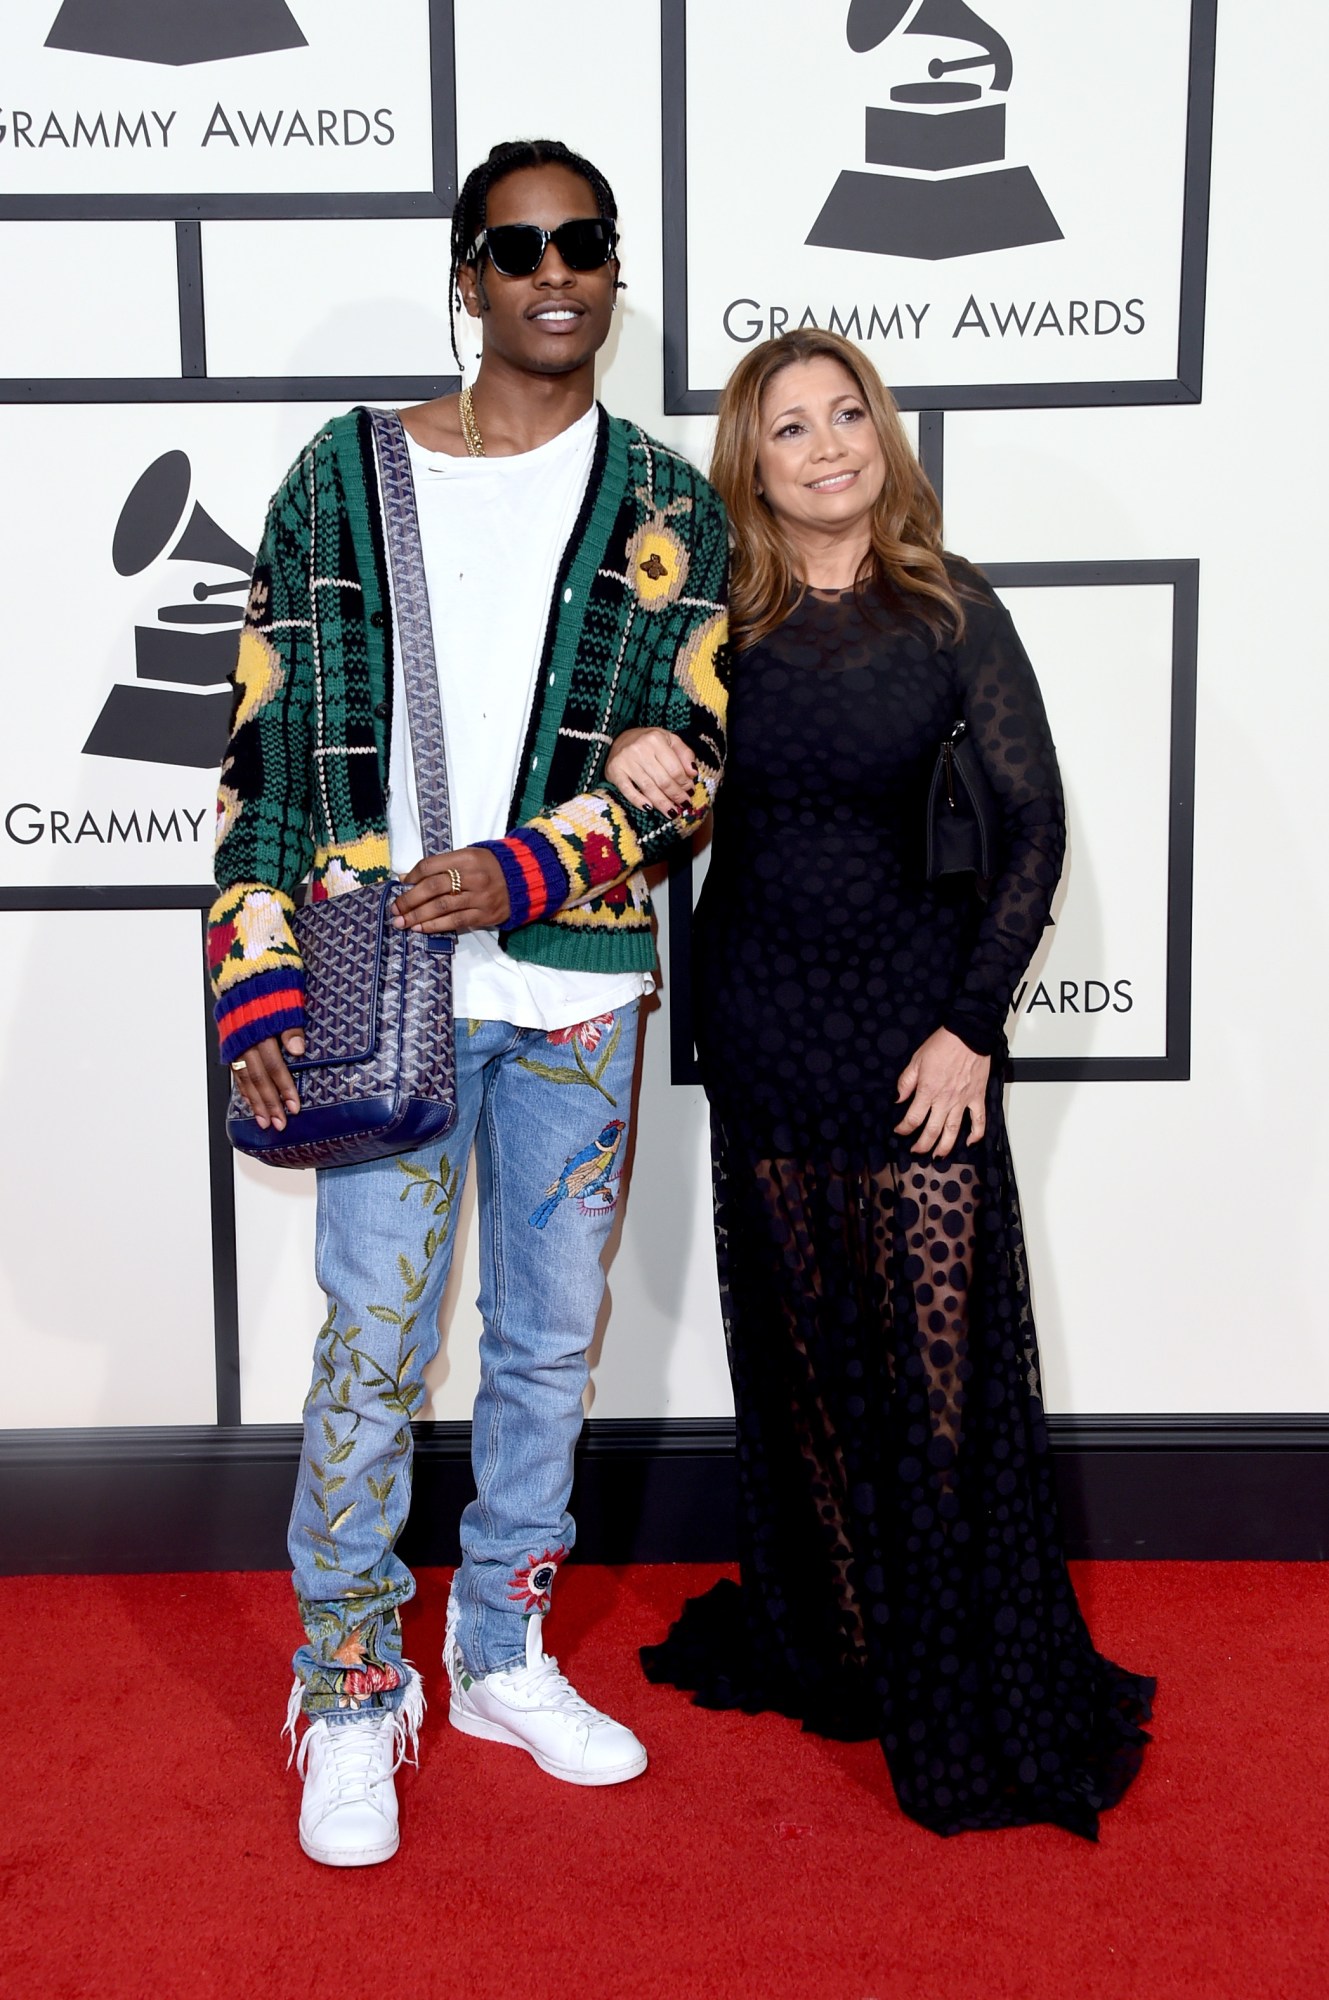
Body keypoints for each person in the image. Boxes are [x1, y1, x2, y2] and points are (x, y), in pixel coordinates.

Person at [209, 138, 729, 1866]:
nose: (552, 272)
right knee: (370, 1349)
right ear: (468, 275)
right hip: (376, 987)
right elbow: (268, 750)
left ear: (613, 270)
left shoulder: (668, 503)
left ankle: (497, 1650)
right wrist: (252, 979)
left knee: (542, 1347)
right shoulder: (338, 479)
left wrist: (522, 872)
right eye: (517, 248)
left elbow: (697, 761)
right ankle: (349, 1684)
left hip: (574, 989)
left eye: (582, 242)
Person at [612, 329, 1153, 1840]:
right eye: (791, 428)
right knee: (801, 1367)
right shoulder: (712, 622)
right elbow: (659, 818)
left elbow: (1033, 832)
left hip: (918, 1033)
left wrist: (969, 1030)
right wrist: (647, 741)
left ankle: (955, 1657)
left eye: (847, 414)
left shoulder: (946, 605)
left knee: (935, 1377)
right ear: (754, 462)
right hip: (767, 1022)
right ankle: (845, 1639)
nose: (828, 444)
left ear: (882, 436)